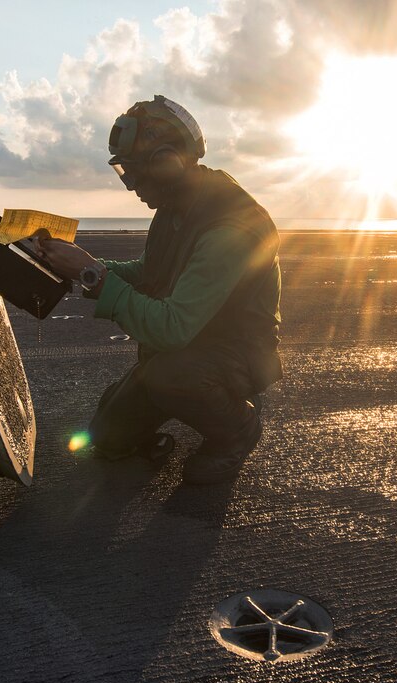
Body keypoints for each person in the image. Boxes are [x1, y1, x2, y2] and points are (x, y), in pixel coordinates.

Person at [34, 95, 282, 485]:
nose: (131, 185)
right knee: (107, 436)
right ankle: (175, 402)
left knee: (170, 375)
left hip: (233, 351)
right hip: (186, 348)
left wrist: (94, 277)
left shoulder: (231, 227)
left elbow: (172, 327)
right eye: (123, 172)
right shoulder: (175, 206)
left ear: (168, 163)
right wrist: (82, 266)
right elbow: (149, 271)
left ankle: (238, 427)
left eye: (133, 171)